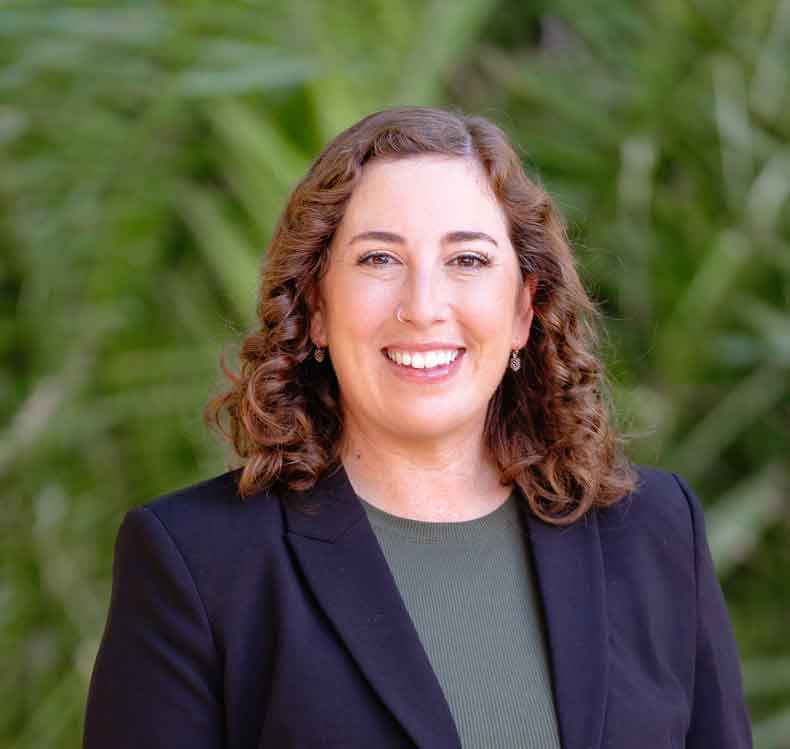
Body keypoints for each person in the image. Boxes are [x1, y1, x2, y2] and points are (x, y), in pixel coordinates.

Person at [83, 106, 752, 748]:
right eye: (379, 259)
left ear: (524, 310)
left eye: (468, 260)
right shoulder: (198, 564)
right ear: (316, 308)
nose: (424, 306)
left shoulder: (655, 532)